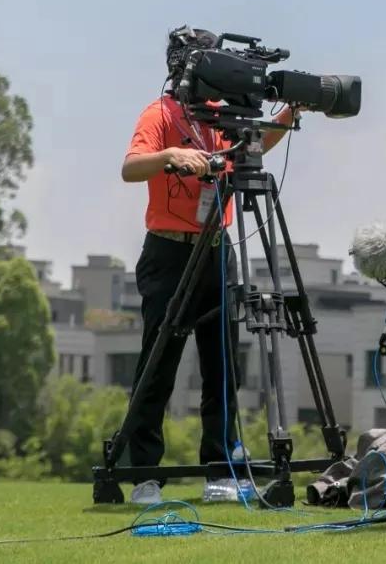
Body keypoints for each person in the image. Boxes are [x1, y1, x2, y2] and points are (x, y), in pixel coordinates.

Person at [120, 26, 298, 504]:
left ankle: (221, 468)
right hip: (169, 252)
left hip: (218, 250)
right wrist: (170, 155)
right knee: (158, 366)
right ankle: (144, 475)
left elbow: (252, 147)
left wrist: (288, 114)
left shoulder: (221, 115)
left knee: (222, 366)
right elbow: (130, 167)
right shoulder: (159, 114)